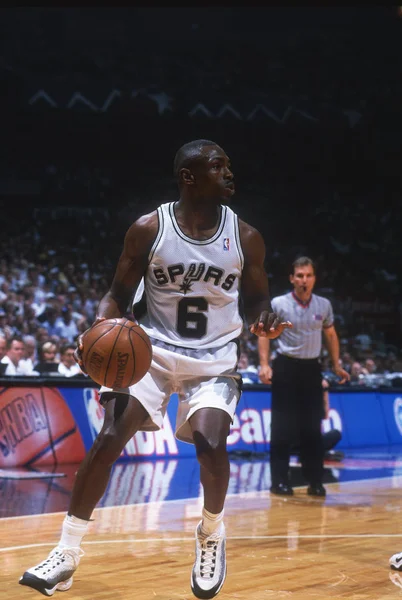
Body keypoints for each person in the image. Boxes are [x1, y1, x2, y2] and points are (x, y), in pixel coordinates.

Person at [20, 139, 291, 599]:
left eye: (228, 166)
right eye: (217, 166)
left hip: (216, 357)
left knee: (209, 442)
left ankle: (211, 533)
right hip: (152, 351)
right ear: (189, 177)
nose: (229, 173)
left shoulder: (246, 237)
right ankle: (66, 553)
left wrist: (264, 318)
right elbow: (117, 295)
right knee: (107, 439)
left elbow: (259, 300)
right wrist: (99, 327)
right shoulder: (150, 229)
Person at [258, 256, 349, 498]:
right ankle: (279, 481)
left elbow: (330, 335)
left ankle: (315, 481)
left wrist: (337, 365)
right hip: (286, 367)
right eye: (299, 275)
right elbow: (264, 334)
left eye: (308, 275)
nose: (304, 280)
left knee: (312, 428)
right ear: (291, 278)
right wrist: (264, 364)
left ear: (314, 279)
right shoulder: (278, 304)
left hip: (312, 368)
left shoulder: (323, 305)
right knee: (281, 427)